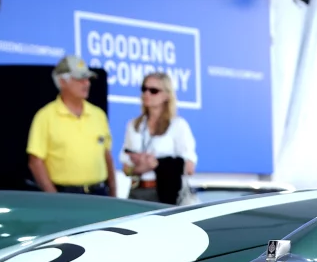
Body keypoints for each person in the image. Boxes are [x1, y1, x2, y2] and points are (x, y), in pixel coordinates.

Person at [26, 56, 116, 196]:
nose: (86, 83)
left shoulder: (98, 115)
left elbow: (107, 155)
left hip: (100, 193)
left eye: (87, 78)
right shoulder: (45, 116)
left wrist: (114, 193)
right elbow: (35, 162)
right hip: (66, 195)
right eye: (80, 79)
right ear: (62, 81)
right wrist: (54, 197)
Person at [121, 72, 196, 203]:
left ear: (167, 95)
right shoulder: (134, 125)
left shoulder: (178, 125)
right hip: (136, 192)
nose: (147, 94)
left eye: (153, 91)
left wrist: (157, 164)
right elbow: (126, 168)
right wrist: (141, 167)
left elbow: (189, 167)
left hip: (165, 193)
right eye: (144, 89)